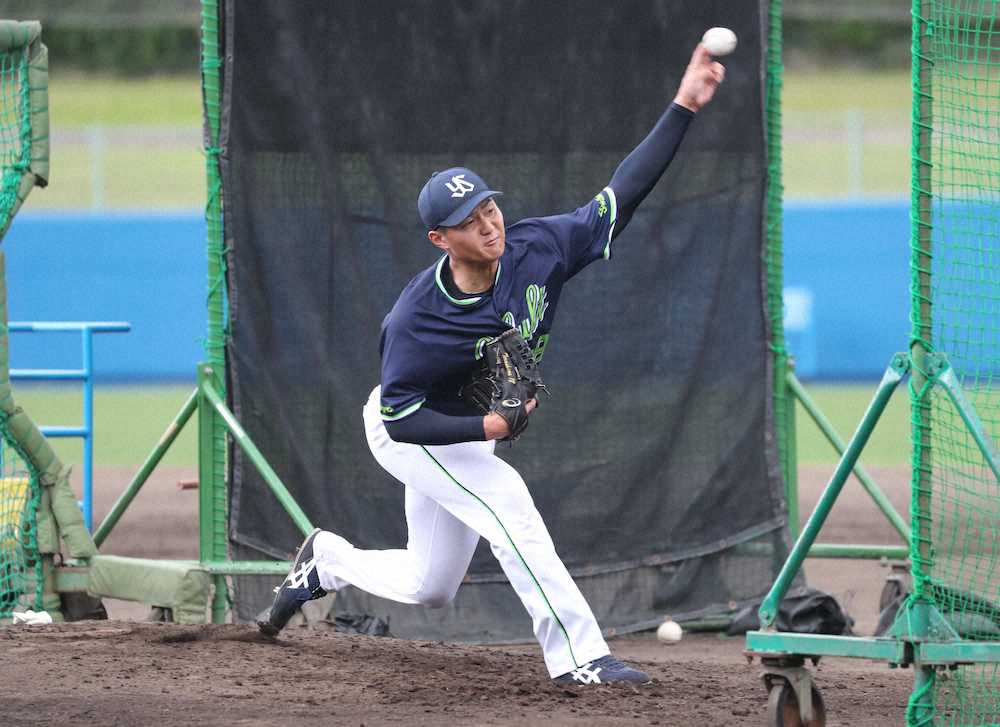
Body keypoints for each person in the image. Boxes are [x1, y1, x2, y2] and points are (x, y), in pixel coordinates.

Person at [259, 43, 724, 686]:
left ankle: (325, 564)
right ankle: (580, 658)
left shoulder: (538, 246)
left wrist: (683, 105)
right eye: (466, 219)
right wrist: (487, 431)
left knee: (431, 586)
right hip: (415, 427)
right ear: (439, 239)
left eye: (486, 206)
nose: (487, 223)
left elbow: (623, 193)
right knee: (510, 507)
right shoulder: (417, 319)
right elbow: (400, 420)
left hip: (463, 430)